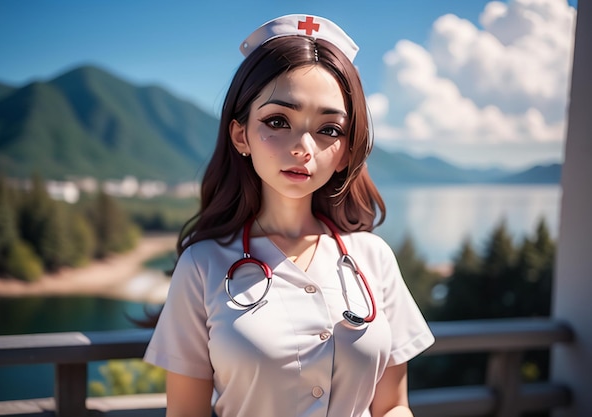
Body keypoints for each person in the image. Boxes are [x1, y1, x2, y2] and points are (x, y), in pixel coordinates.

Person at [144, 14, 435, 417]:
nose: (303, 147)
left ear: (347, 152)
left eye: (329, 129)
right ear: (240, 134)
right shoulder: (202, 266)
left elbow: (393, 406)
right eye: (278, 121)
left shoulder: (373, 258)